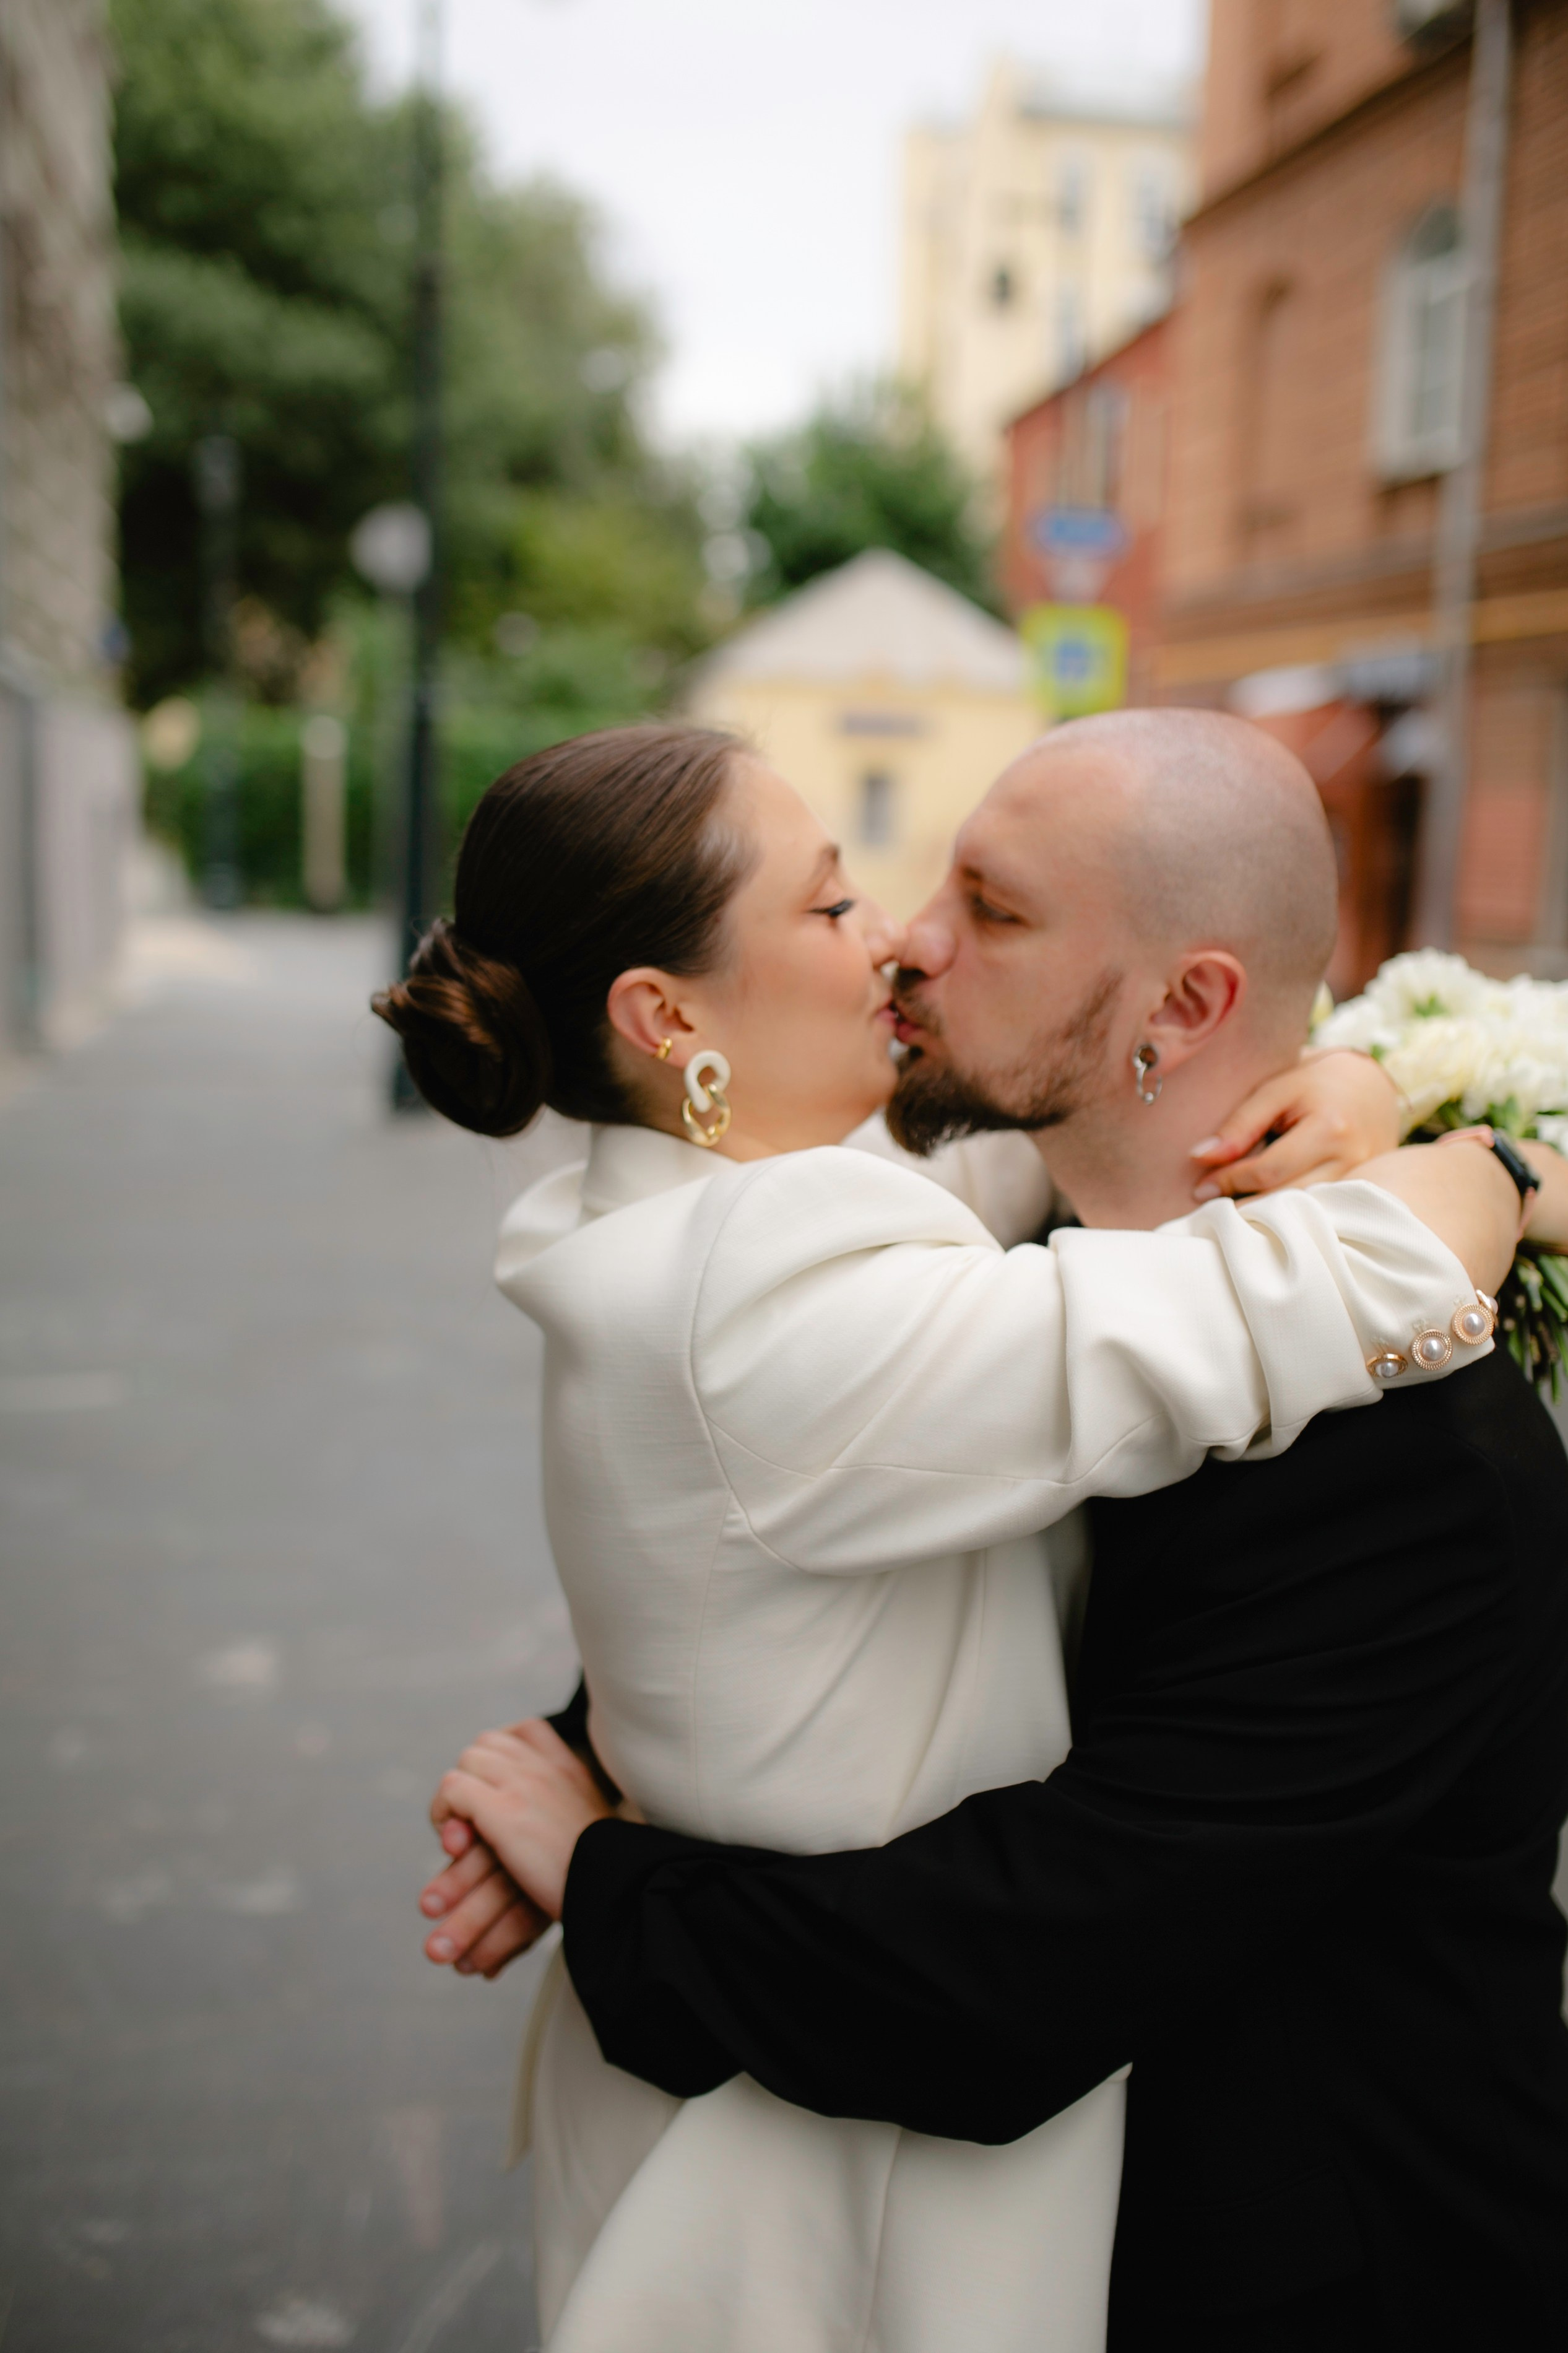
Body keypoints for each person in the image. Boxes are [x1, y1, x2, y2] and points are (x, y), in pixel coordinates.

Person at [418, 713, 1568, 2353]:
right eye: (874, 895)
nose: (908, 942)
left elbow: (1007, 1967)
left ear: (1185, 1007)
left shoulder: (1408, 1472)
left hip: (1323, 2281)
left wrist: (609, 1874)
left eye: (995, 910)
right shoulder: (984, 1285)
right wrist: (613, 1739)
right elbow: (807, 1481)